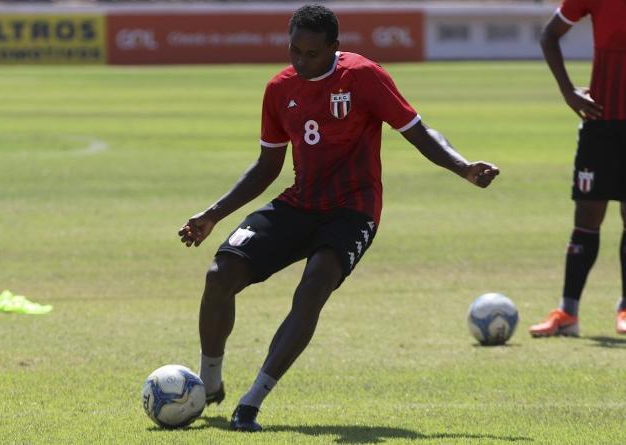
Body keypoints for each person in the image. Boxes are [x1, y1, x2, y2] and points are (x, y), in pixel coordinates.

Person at [178, 4, 499, 432]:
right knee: (222, 272)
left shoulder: (364, 77)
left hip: (353, 209)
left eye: (312, 53)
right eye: (294, 50)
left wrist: (462, 167)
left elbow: (420, 132)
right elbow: (266, 167)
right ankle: (210, 379)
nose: (301, 61)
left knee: (314, 285)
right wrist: (213, 214)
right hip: (299, 203)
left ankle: (251, 402)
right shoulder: (278, 89)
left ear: (335, 47)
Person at [528, 0, 626, 337]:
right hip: (601, 123)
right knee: (587, 217)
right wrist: (568, 92)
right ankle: (568, 313)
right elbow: (549, 36)